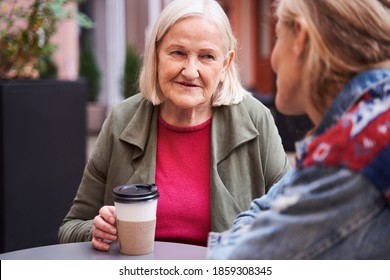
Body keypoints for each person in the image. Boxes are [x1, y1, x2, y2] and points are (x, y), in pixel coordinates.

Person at [58, 0, 291, 251]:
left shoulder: (256, 120)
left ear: (225, 63)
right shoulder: (122, 119)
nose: (190, 71)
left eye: (207, 56)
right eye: (178, 52)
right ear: (156, 54)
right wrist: (98, 230)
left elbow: (295, 216)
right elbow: (70, 228)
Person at [207, 0, 390, 259]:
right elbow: (264, 208)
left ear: (300, 39)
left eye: (277, 36)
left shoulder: (357, 148)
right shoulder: (364, 124)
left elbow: (235, 265)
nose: (272, 59)